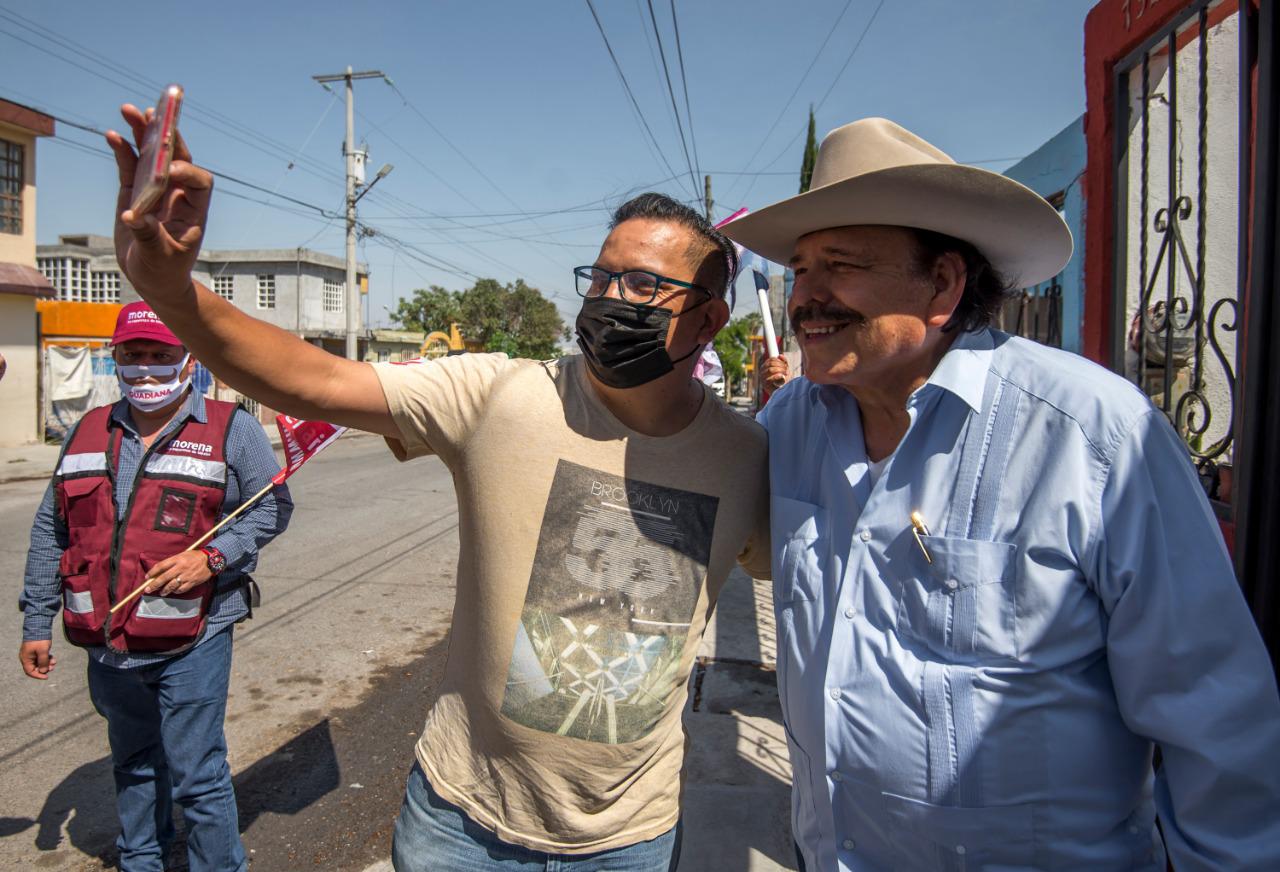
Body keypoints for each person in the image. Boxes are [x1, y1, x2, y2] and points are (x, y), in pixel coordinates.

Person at [103, 103, 768, 871]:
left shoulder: (748, 455)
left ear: (710, 318)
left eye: (644, 285)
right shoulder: (499, 394)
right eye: (602, 276)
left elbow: (813, 566)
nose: (612, 300)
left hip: (628, 839)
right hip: (459, 821)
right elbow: (314, 379)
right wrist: (173, 291)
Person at [722, 117, 1280, 870]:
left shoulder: (1092, 434)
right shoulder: (791, 425)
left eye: (841, 266)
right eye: (801, 269)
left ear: (944, 284)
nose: (807, 298)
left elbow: (1213, 715)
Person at [19, 300, 293, 871]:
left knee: (197, 771)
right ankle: (141, 859)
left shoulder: (229, 429)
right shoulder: (86, 432)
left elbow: (270, 509)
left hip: (195, 636)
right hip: (107, 639)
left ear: (186, 360)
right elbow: (53, 527)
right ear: (115, 358)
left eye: (159, 356)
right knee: (134, 760)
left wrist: (213, 558)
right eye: (133, 355)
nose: (145, 368)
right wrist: (35, 621)